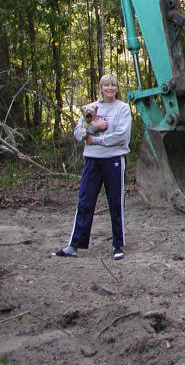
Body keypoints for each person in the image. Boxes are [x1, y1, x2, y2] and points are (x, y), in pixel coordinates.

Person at [52, 74, 132, 260]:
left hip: (113, 160)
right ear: (101, 88)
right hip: (91, 160)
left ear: (117, 88)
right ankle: (74, 245)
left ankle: (118, 245)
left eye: (113, 85)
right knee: (85, 202)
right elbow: (78, 135)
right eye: (106, 85)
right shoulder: (91, 108)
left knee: (115, 203)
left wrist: (95, 139)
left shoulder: (123, 109)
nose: (110, 88)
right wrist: (94, 127)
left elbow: (121, 137)